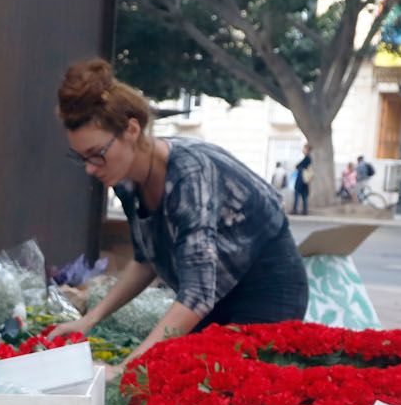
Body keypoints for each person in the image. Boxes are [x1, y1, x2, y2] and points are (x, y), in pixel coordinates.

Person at [49, 59, 308, 360]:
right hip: (213, 295)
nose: (90, 170)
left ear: (131, 130)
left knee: (218, 387)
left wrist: (130, 367)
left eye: (97, 155)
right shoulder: (127, 180)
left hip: (266, 291)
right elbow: (147, 260)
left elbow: (198, 294)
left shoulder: (189, 175)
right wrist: (90, 319)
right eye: (82, 158)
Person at [293, 144, 313, 215]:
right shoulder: (307, 158)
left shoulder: (307, 158)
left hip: (302, 179)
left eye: (304, 149)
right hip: (304, 180)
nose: (303, 150)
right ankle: (304, 210)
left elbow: (298, 165)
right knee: (303, 195)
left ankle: (296, 209)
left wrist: (298, 167)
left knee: (298, 193)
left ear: (307, 150)